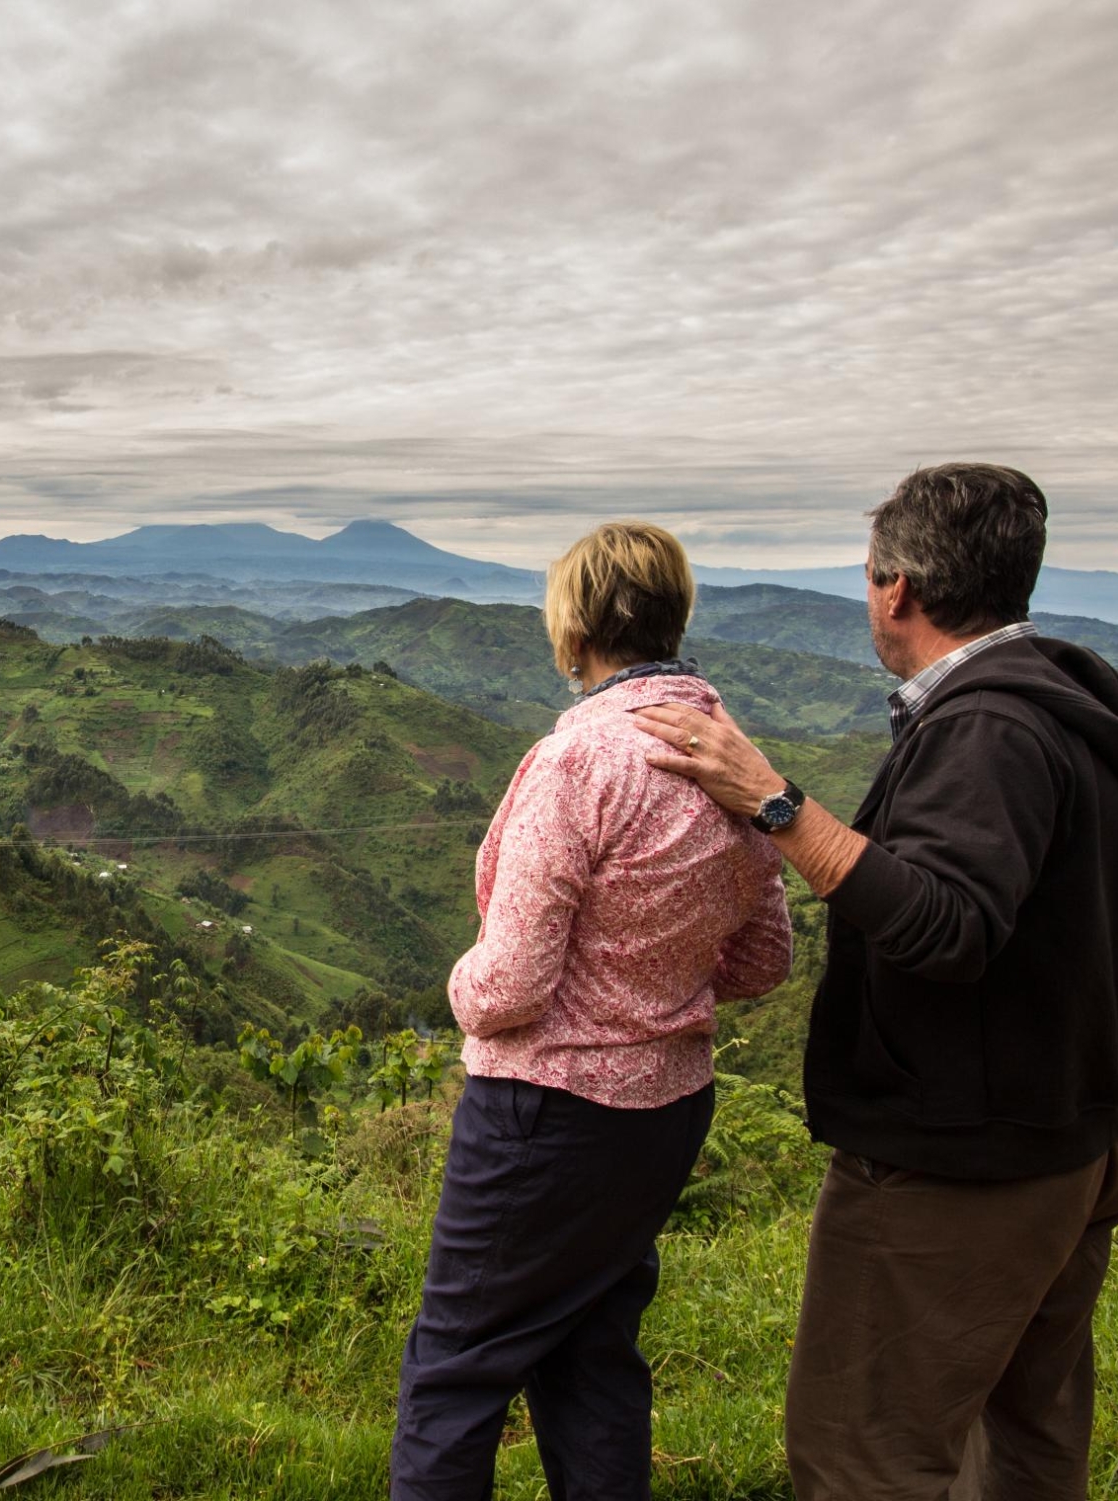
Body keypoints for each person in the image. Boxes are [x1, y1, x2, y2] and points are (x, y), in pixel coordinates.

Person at [632, 463, 1118, 1501]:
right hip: (1089, 1133)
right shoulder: (1069, 687)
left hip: (971, 1159)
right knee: (1029, 1429)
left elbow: (941, 926)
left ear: (897, 589)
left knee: (862, 1452)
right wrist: (1079, 945)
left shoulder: (988, 727)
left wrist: (773, 800)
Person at [392, 520, 792, 1501]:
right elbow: (764, 959)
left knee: (453, 1372)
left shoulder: (579, 765)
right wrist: (656, 980)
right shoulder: (730, 763)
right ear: (674, 616)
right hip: (663, 1111)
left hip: (545, 1115)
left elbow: (512, 984)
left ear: (572, 633)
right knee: (592, 1354)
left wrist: (457, 988)